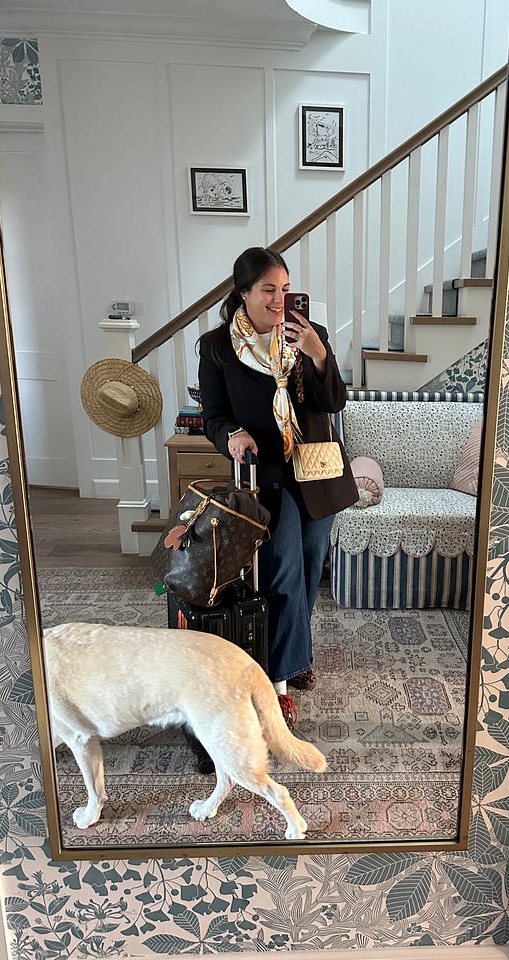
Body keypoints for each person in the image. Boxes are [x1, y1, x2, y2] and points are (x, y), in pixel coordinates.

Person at [197, 246, 358, 731]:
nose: (278, 299)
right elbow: (213, 415)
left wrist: (317, 352)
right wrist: (231, 435)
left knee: (308, 567)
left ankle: (296, 654)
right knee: (281, 569)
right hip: (264, 474)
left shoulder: (310, 334)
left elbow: (334, 402)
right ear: (243, 292)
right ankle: (279, 682)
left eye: (285, 290)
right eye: (268, 289)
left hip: (318, 471)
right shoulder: (217, 347)